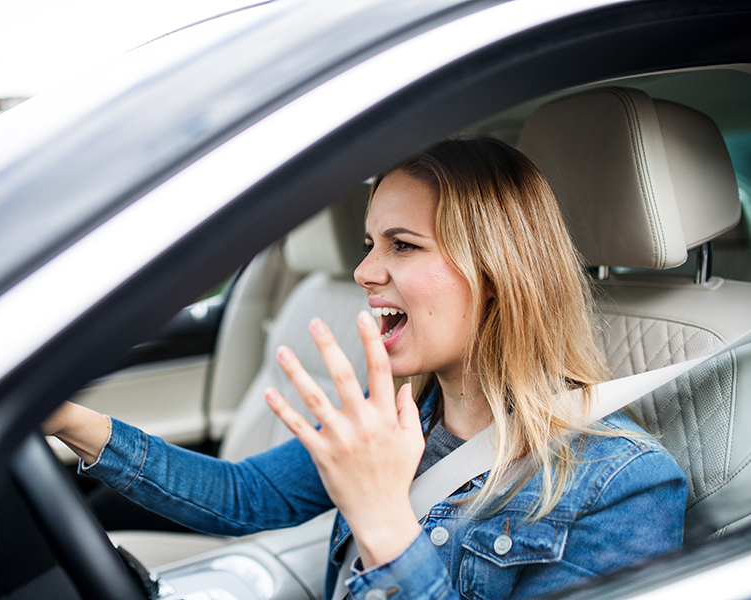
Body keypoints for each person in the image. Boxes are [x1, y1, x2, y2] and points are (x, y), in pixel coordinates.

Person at [44, 137, 687, 600]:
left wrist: (383, 520)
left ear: (495, 276)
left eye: (402, 246)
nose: (362, 272)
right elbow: (244, 497)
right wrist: (71, 422)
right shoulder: (393, 418)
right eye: (368, 244)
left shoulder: (622, 487)